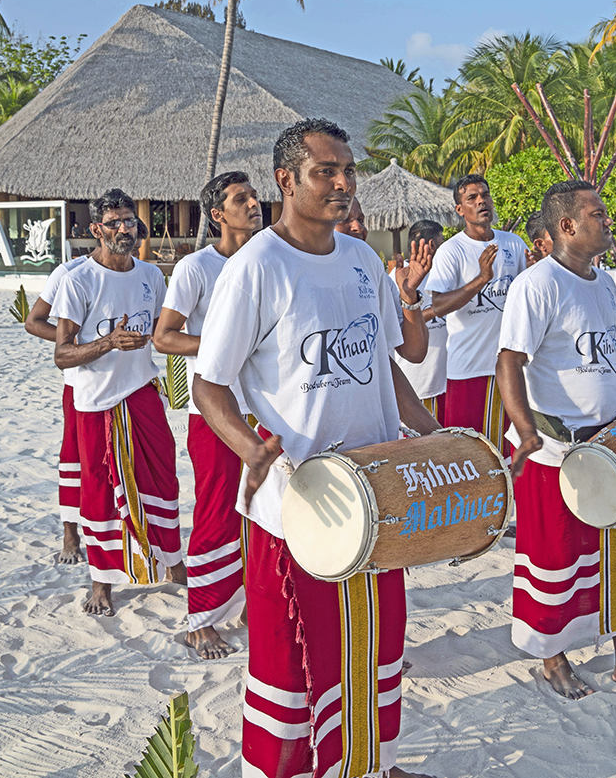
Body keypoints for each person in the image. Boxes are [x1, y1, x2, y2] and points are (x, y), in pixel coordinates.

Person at [193, 119, 438, 778]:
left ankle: (367, 762)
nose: (342, 182)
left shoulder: (361, 259)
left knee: (376, 644)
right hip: (296, 509)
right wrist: (253, 451)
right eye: (327, 170)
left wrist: (428, 428)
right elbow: (208, 384)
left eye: (348, 170)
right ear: (285, 180)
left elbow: (385, 363)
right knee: (294, 662)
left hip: (376, 494)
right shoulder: (254, 270)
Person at [497, 179, 616, 700]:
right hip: (553, 446)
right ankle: (551, 658)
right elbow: (510, 360)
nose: (608, 220)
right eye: (597, 213)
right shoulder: (536, 286)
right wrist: (526, 430)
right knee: (553, 555)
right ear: (566, 226)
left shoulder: (605, 284)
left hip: (610, 445)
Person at [51, 189, 185, 617]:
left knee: (163, 479)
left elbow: (164, 335)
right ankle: (102, 583)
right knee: (99, 490)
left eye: (129, 221)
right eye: (115, 223)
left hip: (143, 391)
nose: (125, 229)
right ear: (96, 229)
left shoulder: (151, 275)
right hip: (96, 401)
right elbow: (62, 354)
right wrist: (108, 342)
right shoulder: (78, 280)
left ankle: (172, 563)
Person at [152, 171, 264, 660]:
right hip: (215, 412)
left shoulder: (270, 258)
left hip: (269, 411)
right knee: (217, 514)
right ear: (217, 214)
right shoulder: (195, 268)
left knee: (263, 514)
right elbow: (164, 336)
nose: (255, 204)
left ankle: (251, 602)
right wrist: (223, 346)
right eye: (241, 199)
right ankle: (201, 621)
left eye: (255, 195)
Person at [424, 174, 529, 449]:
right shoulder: (451, 251)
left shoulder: (514, 243)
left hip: (511, 366)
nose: (482, 201)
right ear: (460, 209)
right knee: (469, 453)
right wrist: (481, 279)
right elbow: (438, 305)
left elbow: (528, 296)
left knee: (513, 452)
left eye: (485, 194)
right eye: (472, 198)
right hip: (468, 367)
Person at [24, 251, 92, 564]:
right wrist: (76, 345)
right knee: (74, 457)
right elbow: (33, 321)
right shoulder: (70, 272)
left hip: (127, 384)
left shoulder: (142, 272)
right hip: (79, 382)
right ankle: (70, 532)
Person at [527, 209, 616, 350]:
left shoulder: (602, 280)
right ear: (541, 245)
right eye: (557, 236)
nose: (568, 237)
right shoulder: (535, 286)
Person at [391, 218, 448, 423]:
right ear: (432, 245)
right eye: (442, 243)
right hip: (419, 382)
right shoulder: (396, 279)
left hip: (443, 379)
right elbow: (401, 326)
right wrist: (436, 310)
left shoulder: (440, 273)